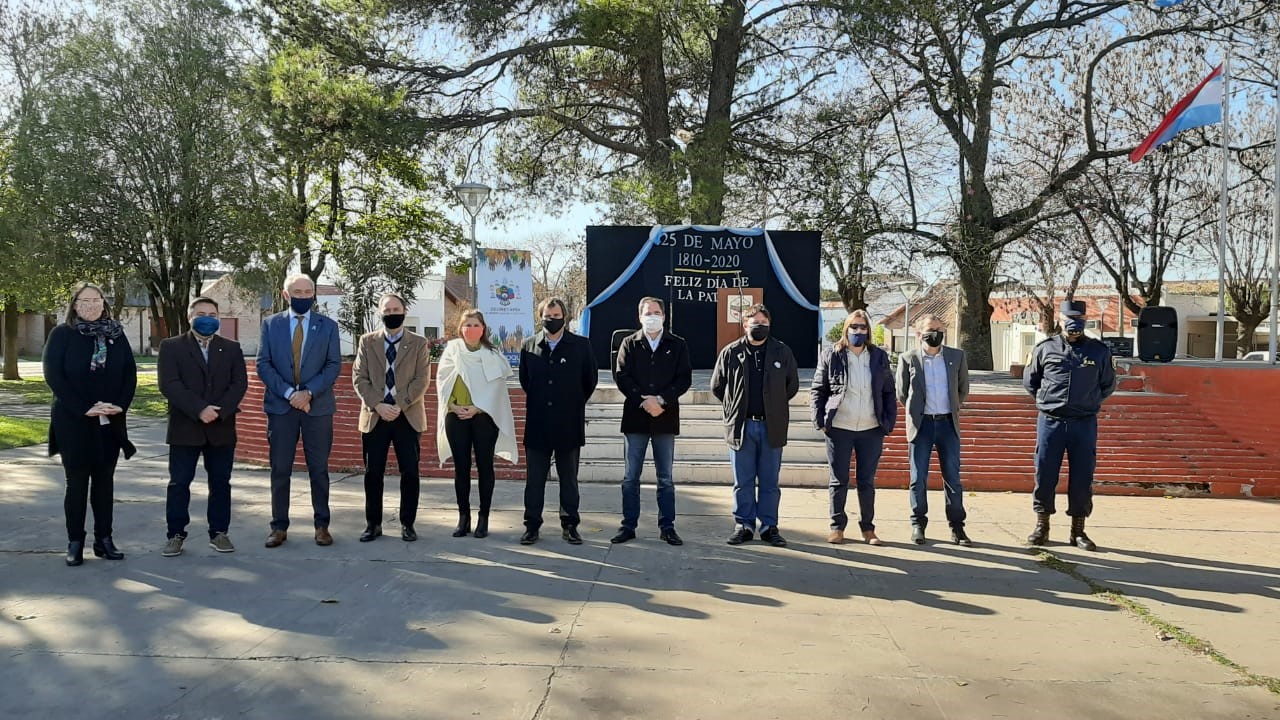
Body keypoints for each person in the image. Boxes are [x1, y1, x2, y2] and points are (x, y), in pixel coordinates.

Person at [43, 282, 137, 566]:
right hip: (74, 420)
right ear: (74, 305)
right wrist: (84, 408)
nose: (91, 306)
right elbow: (54, 376)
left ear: (103, 303)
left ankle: (104, 539)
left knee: (104, 482)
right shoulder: (62, 334)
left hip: (110, 420)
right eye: (85, 301)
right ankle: (75, 541)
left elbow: (129, 373)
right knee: (77, 483)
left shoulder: (116, 334)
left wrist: (120, 404)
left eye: (96, 300)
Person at [157, 296, 248, 556]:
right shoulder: (171, 347)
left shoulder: (231, 348)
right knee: (179, 483)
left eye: (212, 314)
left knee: (220, 483)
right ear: (190, 317)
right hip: (185, 426)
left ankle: (219, 533)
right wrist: (199, 409)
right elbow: (169, 384)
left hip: (221, 426)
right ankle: (175, 534)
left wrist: (219, 410)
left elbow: (239, 384)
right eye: (201, 314)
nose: (207, 318)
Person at [256, 273, 341, 548]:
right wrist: (290, 394)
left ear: (314, 294)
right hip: (281, 408)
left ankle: (322, 526)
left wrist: (308, 393)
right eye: (297, 292)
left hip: (317, 407)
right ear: (286, 295)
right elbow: (263, 364)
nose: (303, 296)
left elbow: (333, 365)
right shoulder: (271, 324)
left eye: (308, 292)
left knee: (319, 469)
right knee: (280, 469)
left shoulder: (328, 326)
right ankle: (278, 527)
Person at [1024, 299, 1116, 551]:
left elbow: (1108, 384)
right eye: (1069, 319)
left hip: (1083, 423)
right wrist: (1049, 402)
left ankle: (1078, 531)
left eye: (1079, 319)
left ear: (1085, 321)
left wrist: (1087, 402)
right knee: (1045, 474)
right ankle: (1042, 526)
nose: (1073, 324)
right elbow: (1031, 382)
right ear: (1060, 320)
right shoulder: (1045, 348)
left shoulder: (1098, 351)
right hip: (1051, 421)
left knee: (1082, 476)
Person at [711, 303, 799, 547]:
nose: (759, 326)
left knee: (770, 481)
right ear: (744, 325)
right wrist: (734, 407)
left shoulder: (782, 351)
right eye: (754, 322)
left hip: (772, 426)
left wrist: (773, 405)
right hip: (742, 427)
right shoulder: (731, 352)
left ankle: (769, 526)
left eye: (763, 323)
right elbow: (717, 386)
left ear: (769, 324)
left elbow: (791, 386)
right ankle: (744, 525)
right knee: (743, 481)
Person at [810, 310, 897, 545]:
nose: (858, 331)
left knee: (866, 481)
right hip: (839, 427)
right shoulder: (831, 355)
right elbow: (818, 390)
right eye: (854, 327)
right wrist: (820, 420)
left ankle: (868, 529)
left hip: (871, 428)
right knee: (839, 480)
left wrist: (888, 421)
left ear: (868, 330)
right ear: (846, 329)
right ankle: (837, 527)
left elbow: (889, 391)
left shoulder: (878, 356)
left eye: (863, 327)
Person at [610, 297, 692, 545]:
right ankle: (628, 526)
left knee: (665, 478)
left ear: (664, 316)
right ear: (640, 316)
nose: (652, 317)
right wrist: (643, 400)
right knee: (630, 477)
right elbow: (622, 375)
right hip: (636, 417)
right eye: (648, 313)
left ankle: (667, 527)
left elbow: (684, 378)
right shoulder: (629, 343)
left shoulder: (677, 344)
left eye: (657, 312)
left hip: (665, 418)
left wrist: (662, 400)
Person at [518, 297, 598, 545]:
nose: (552, 320)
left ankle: (570, 525)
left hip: (568, 423)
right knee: (534, 481)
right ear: (540, 317)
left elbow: (589, 381)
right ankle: (532, 525)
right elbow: (525, 381)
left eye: (556, 316)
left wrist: (571, 403)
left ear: (565, 317)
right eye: (547, 316)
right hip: (538, 423)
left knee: (569, 479)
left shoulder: (581, 345)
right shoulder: (529, 345)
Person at [352, 293, 431, 543]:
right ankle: (373, 524)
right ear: (380, 313)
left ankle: (408, 524)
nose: (391, 313)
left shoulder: (419, 343)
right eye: (387, 310)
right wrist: (378, 405)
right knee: (373, 473)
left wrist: (398, 405)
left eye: (396, 309)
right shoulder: (367, 341)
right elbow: (359, 378)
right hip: (375, 416)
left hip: (407, 416)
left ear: (404, 311)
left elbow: (421, 380)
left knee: (410, 472)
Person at [436, 309, 518, 538]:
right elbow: (442, 381)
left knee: (485, 467)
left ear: (483, 329)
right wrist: (453, 406)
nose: (471, 329)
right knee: (461, 469)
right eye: (467, 325)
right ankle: (463, 517)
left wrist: (478, 407)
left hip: (484, 417)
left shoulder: (492, 354)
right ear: (460, 328)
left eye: (475, 325)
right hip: (456, 416)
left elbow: (496, 388)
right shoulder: (452, 351)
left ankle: (483, 517)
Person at [896, 314, 971, 546]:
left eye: (939, 329)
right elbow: (902, 393)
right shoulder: (908, 359)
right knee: (918, 478)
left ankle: (957, 527)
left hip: (948, 424)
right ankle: (918, 524)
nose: (936, 333)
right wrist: (918, 411)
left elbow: (963, 389)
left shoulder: (956, 356)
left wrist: (952, 407)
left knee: (953, 478)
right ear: (919, 333)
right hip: (922, 426)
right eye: (931, 329)